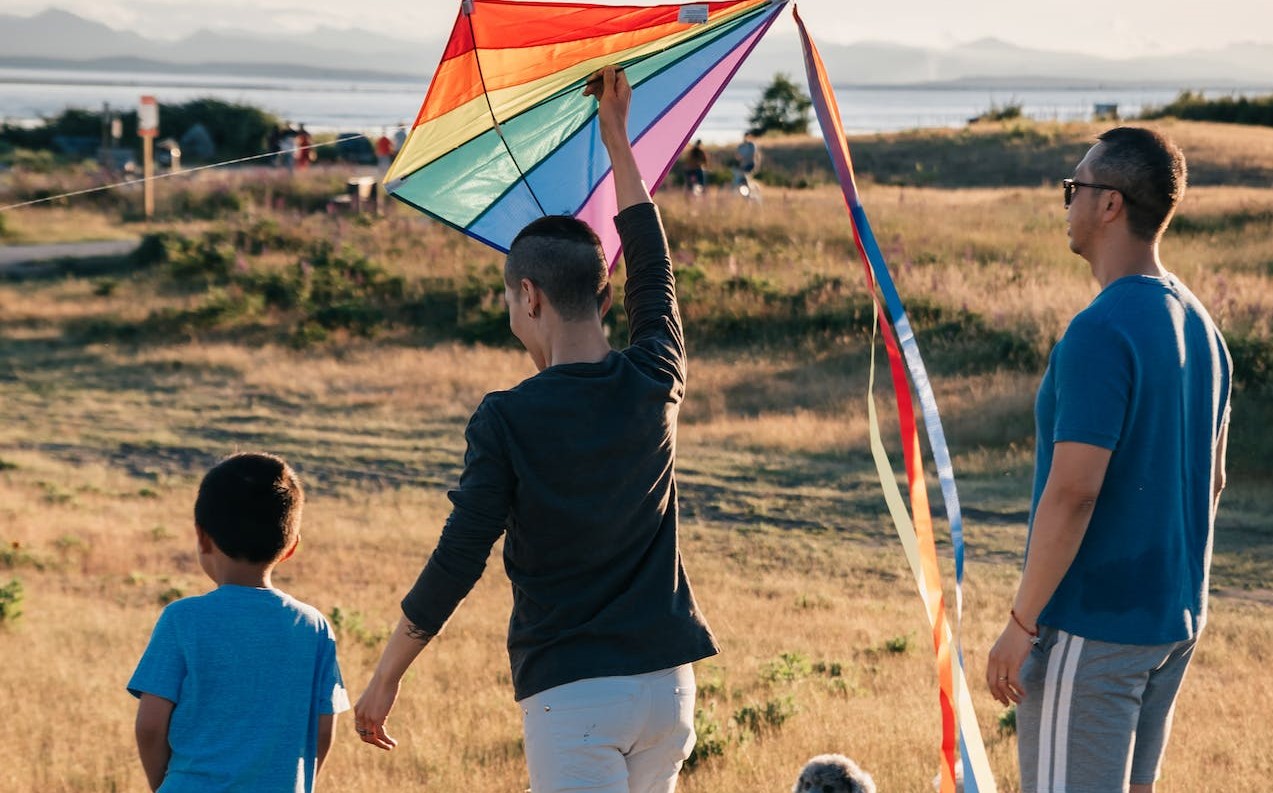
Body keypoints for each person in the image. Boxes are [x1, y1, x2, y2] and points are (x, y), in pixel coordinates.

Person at [353, 65, 719, 793]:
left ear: (528, 295)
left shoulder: (506, 418)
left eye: (508, 298)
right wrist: (617, 137)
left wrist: (385, 674)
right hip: (668, 689)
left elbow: (459, 558)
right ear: (605, 293)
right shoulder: (655, 374)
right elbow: (656, 267)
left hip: (574, 695)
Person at [986, 127, 1232, 793]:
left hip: (1092, 628)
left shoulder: (1099, 330)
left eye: (1074, 187)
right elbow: (1211, 482)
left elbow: (1073, 491)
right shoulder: (1203, 327)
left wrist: (1019, 624)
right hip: (1170, 622)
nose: (1065, 201)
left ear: (1109, 204)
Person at [128, 453, 350, 793]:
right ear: (291, 547)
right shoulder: (313, 627)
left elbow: (150, 725)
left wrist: (165, 785)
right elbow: (323, 730)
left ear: (202, 537)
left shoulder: (182, 618)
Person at [731, 132, 759, 198]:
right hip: (742, 166)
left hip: (750, 165)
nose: (746, 139)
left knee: (746, 178)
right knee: (737, 178)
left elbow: (752, 156)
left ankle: (749, 193)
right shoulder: (741, 146)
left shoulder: (752, 145)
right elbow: (737, 156)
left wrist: (744, 159)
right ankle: (737, 193)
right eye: (746, 137)